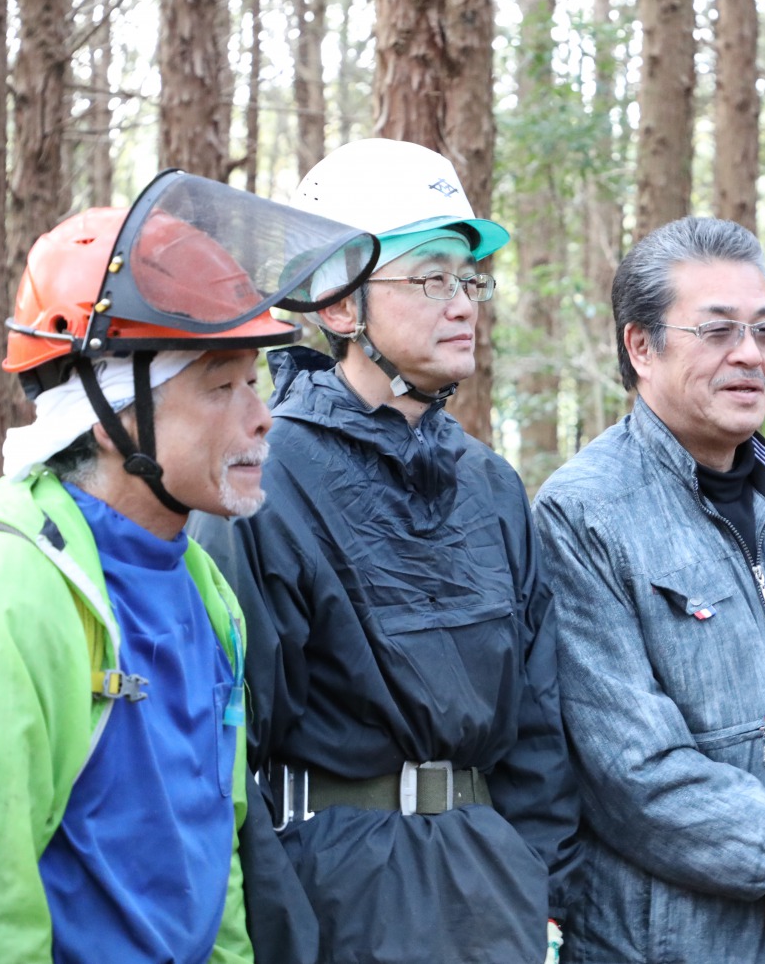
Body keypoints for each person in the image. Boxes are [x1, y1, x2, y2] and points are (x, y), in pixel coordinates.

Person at [0, 175, 374, 962]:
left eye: (256, 382)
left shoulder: (204, 589)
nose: (260, 417)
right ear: (112, 418)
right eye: (222, 388)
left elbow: (213, 863)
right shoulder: (9, 588)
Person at [190, 138, 578, 964]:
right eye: (431, 277)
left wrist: (531, 885)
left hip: (490, 902)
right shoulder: (267, 478)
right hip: (333, 899)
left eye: (470, 279)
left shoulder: (491, 485)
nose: (463, 303)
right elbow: (226, 743)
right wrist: (280, 920)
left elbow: (539, 731)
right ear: (337, 305)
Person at [533, 217, 765, 963]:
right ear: (640, 346)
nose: (749, 354)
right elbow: (627, 762)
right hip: (667, 941)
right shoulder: (583, 513)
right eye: (716, 331)